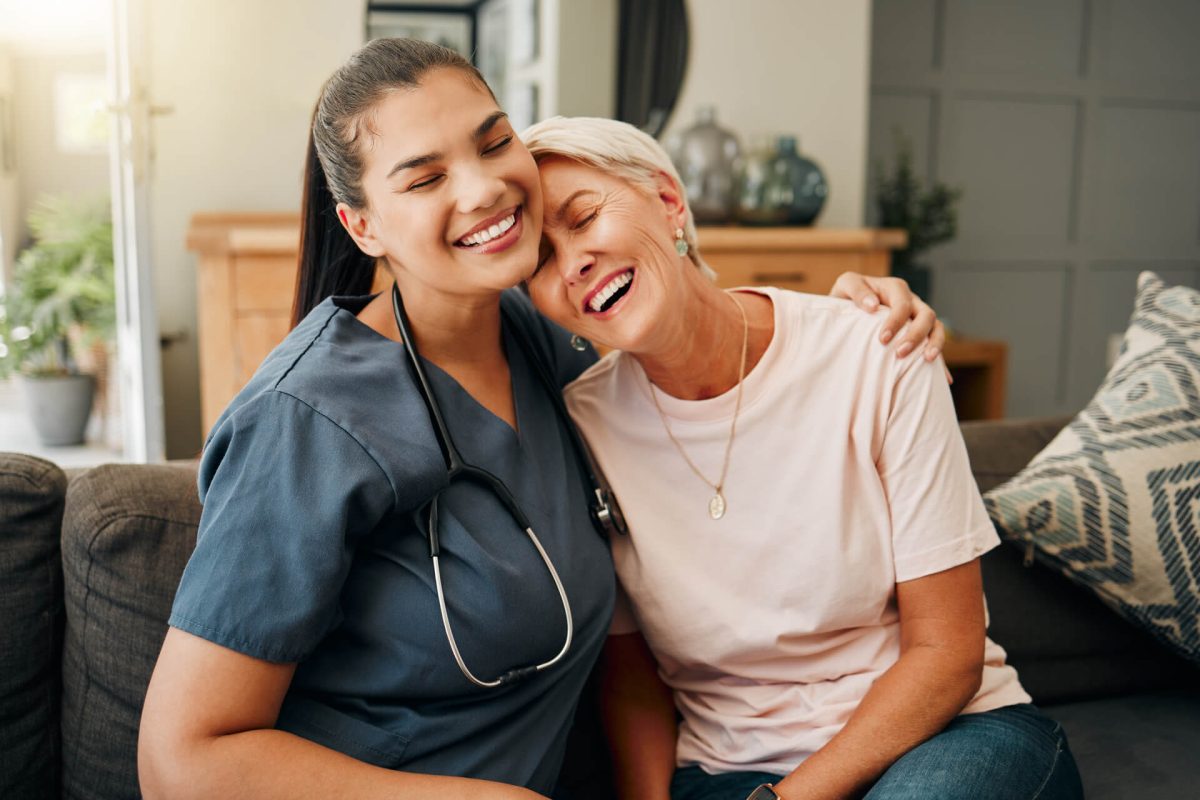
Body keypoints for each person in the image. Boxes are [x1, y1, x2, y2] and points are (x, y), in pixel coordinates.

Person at [138, 39, 943, 799]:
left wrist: (844, 320)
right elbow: (182, 762)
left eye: (493, 143)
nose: (482, 188)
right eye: (424, 179)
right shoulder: (304, 420)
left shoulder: (545, 342)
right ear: (363, 226)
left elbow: (702, 359)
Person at [521, 115, 1084, 800]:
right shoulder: (580, 428)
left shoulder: (878, 352)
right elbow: (631, 679)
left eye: (583, 219)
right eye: (540, 264)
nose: (572, 261)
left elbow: (948, 656)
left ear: (669, 202)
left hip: (946, 740)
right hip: (728, 773)